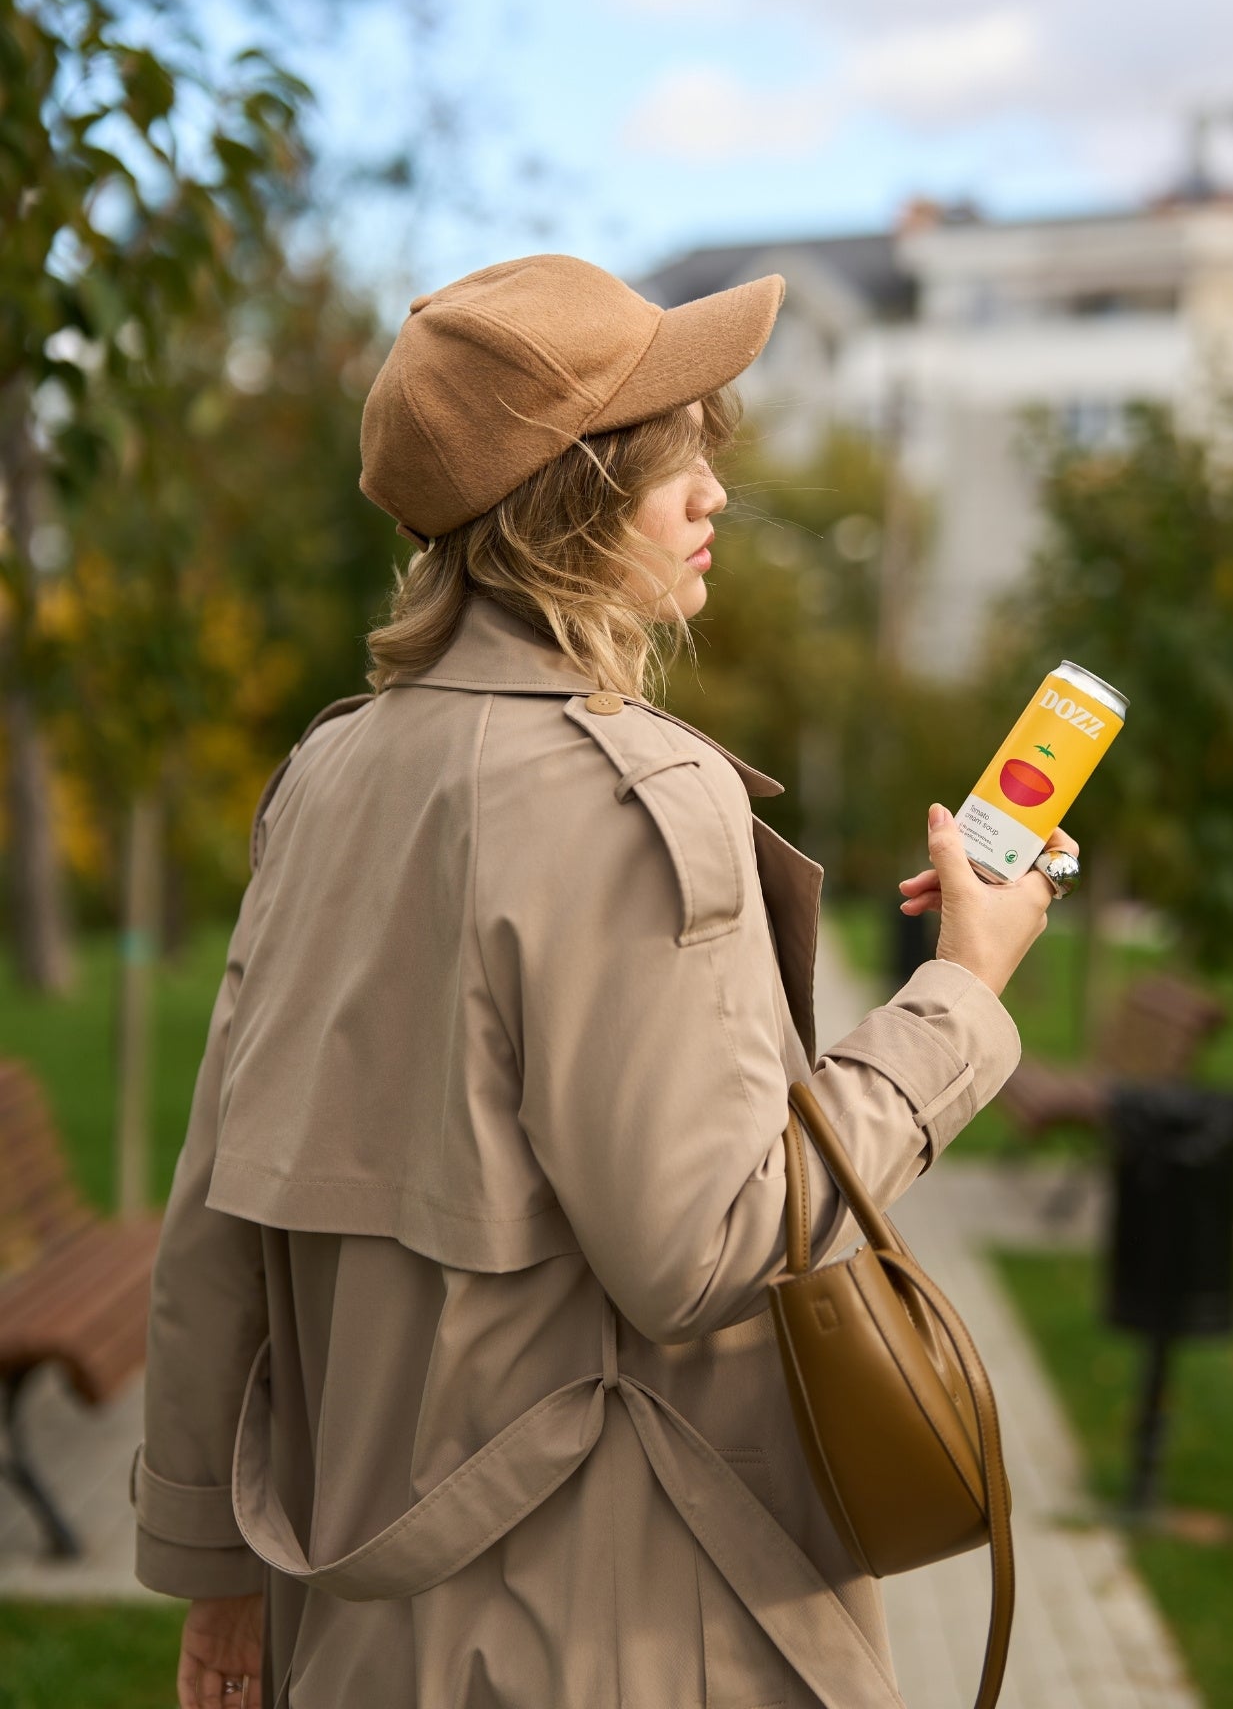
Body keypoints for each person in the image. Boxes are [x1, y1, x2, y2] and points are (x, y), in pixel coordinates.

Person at [130, 253, 1076, 1709]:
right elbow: (710, 1247)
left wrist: (215, 1573)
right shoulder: (636, 796)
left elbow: (214, 1215)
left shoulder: (326, 775)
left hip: (357, 1615)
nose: (713, 496)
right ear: (565, 503)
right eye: (669, 462)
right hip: (627, 1616)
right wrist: (965, 987)